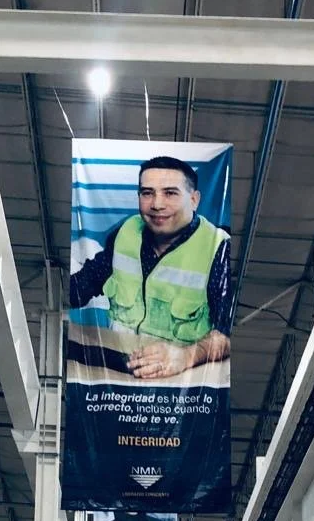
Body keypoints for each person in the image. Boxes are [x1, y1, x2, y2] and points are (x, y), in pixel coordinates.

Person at [69, 156, 231, 379]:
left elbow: (226, 334)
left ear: (194, 200)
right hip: (120, 379)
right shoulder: (126, 233)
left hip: (183, 385)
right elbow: (83, 285)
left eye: (170, 193)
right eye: (147, 193)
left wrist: (186, 356)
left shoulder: (218, 249)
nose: (157, 204)